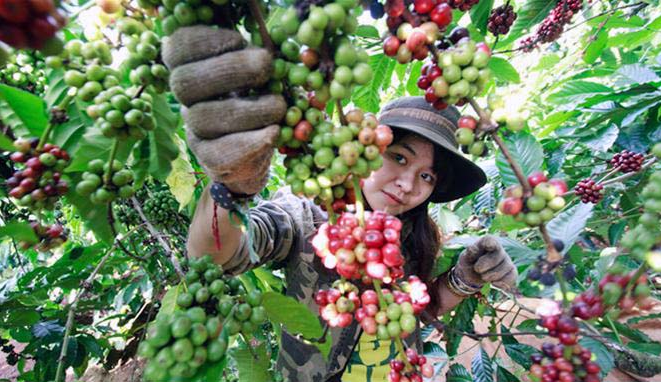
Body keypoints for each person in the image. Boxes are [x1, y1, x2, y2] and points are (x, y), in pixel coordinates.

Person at [163, 26, 518, 382]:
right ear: (365, 148)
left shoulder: (415, 231)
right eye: (398, 157)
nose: (408, 185)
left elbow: (417, 311)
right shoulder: (308, 213)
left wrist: (463, 279)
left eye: (428, 177)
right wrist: (232, 187)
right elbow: (217, 256)